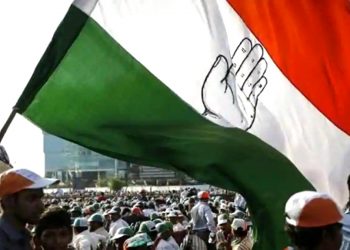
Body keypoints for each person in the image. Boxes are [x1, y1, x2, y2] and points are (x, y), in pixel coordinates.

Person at [0, 168, 58, 250]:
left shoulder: (24, 235)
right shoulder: (3, 240)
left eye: (40, 198)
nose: (41, 206)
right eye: (32, 198)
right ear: (8, 201)